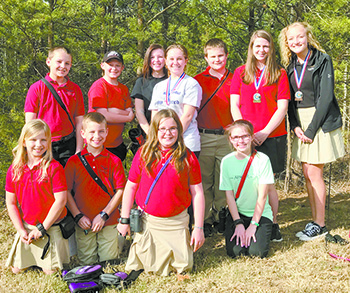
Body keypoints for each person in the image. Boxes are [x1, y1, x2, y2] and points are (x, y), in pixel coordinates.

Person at [117, 109, 205, 278]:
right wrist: (124, 219)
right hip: (149, 221)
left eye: (172, 128)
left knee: (183, 267)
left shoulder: (188, 157)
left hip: (177, 222)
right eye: (162, 129)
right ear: (155, 131)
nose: (167, 133)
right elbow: (130, 187)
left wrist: (198, 228)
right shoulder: (143, 154)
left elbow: (198, 193)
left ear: (179, 130)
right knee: (147, 267)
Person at [279, 22, 345, 241]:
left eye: (300, 37)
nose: (296, 41)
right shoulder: (289, 65)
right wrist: (295, 126)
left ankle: (320, 224)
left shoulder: (322, 60)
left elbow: (326, 97)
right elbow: (289, 100)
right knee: (307, 173)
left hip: (319, 121)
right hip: (301, 122)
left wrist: (310, 129)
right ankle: (315, 220)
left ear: (307, 36)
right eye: (291, 39)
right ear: (286, 42)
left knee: (314, 173)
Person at [230, 30, 290, 242]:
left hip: (272, 135)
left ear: (271, 48)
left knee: (269, 183)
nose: (261, 50)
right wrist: (244, 132)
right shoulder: (240, 72)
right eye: (257, 46)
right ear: (251, 48)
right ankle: (249, 220)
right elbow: (234, 105)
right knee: (247, 181)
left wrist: (264, 132)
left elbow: (282, 107)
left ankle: (273, 223)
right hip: (245, 138)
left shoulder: (279, 73)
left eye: (265, 46)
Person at [5, 119, 69, 274]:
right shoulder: (15, 169)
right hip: (28, 227)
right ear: (24, 142)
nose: (38, 144)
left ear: (48, 142)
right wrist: (21, 230)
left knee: (51, 272)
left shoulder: (54, 168)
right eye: (33, 140)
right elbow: (11, 203)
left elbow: (61, 201)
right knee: (16, 270)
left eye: (43, 140)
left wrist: (42, 229)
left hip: (50, 226)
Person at [65, 112, 126, 265]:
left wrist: (104, 214)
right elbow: (65, 192)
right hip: (84, 221)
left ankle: (120, 240)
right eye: (91, 132)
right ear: (83, 133)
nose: (96, 136)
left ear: (106, 132)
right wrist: (78, 216)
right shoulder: (74, 162)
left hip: (109, 219)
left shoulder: (114, 160)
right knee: (88, 263)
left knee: (108, 262)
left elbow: (120, 191)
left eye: (100, 131)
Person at [194, 38, 233, 237]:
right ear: (206, 58)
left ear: (226, 56)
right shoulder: (197, 80)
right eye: (212, 56)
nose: (217, 59)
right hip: (204, 136)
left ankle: (222, 217)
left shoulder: (235, 78)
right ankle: (205, 219)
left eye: (220, 56)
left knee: (224, 181)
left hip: (227, 137)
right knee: (204, 181)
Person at [220, 120, 274, 258]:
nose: (241, 141)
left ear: (251, 137)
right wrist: (238, 223)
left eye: (245, 136)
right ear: (230, 140)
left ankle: (266, 230)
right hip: (238, 214)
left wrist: (253, 225)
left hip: (260, 215)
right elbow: (229, 195)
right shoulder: (226, 161)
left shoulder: (263, 160)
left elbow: (262, 196)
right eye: (236, 137)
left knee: (257, 253)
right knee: (235, 252)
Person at [25, 46, 85, 167]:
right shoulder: (37, 88)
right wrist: (30, 150)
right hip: (43, 146)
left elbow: (80, 122)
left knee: (67, 183)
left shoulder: (75, 89)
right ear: (48, 62)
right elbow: (30, 124)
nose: (63, 66)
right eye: (59, 62)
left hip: (68, 146)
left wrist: (79, 149)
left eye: (67, 63)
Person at [149, 44, 202, 157]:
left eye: (179, 59)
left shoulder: (191, 84)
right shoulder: (159, 86)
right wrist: (157, 139)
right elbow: (154, 117)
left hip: (185, 142)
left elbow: (187, 116)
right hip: (162, 143)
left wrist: (172, 138)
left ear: (185, 61)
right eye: (171, 59)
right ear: (165, 61)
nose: (175, 62)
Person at [88, 50, 134, 161]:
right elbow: (103, 116)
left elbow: (131, 113)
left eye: (117, 65)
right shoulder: (99, 87)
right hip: (99, 144)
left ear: (122, 68)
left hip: (117, 144)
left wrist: (114, 111)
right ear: (102, 66)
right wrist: (127, 117)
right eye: (110, 65)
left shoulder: (123, 89)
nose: (114, 68)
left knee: (115, 177)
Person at [132, 44, 168, 135]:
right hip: (147, 133)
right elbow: (139, 111)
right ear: (148, 60)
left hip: (169, 133)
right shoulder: (141, 82)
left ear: (166, 59)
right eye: (152, 57)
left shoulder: (172, 80)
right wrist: (150, 133)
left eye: (160, 57)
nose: (156, 60)